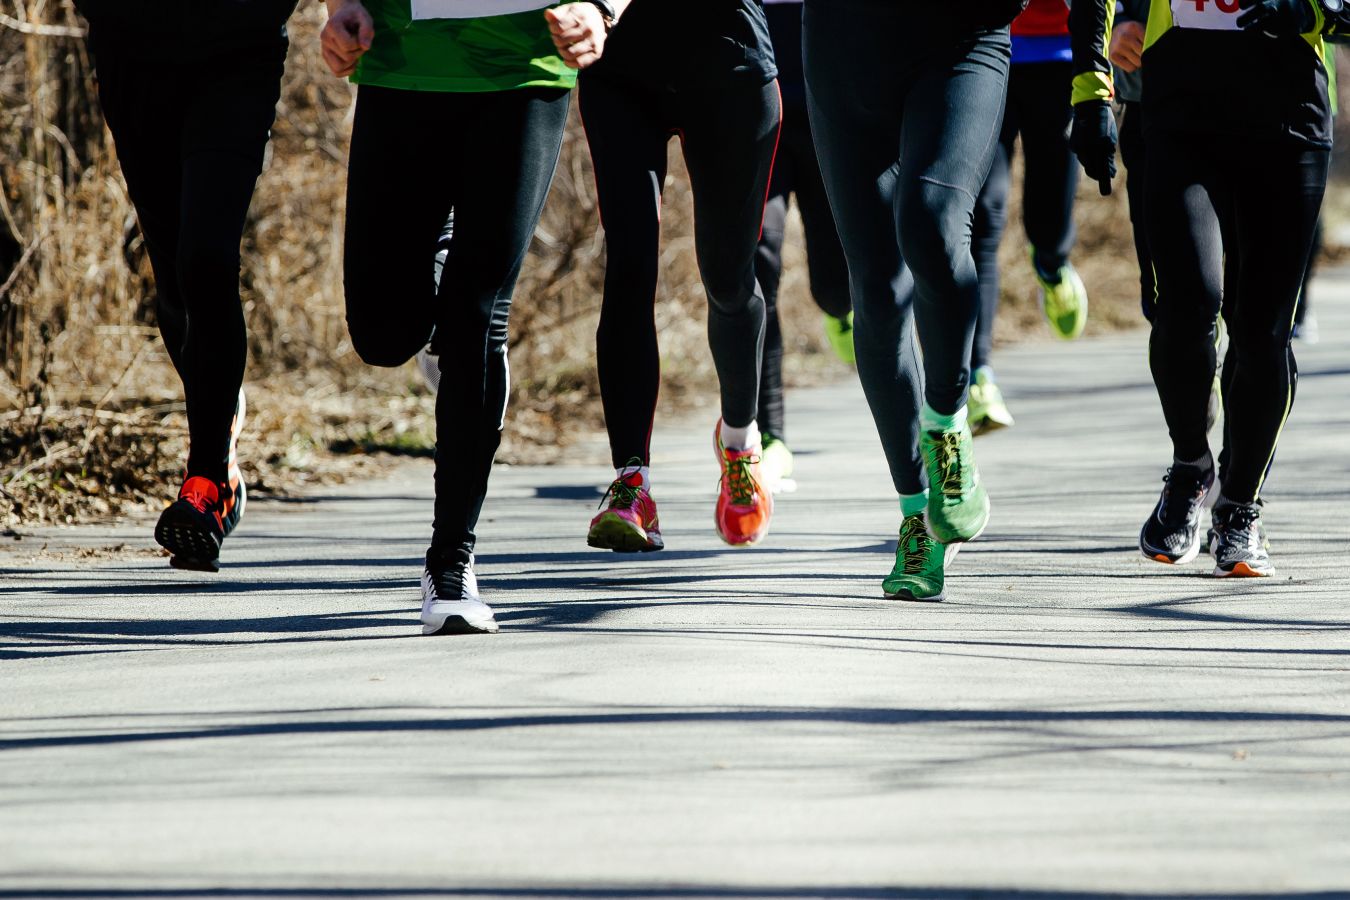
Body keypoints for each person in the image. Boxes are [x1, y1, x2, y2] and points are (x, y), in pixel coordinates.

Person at [321, 0, 618, 634]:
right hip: (402, 63)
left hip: (524, 68)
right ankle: (444, 286)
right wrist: (339, 5)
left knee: (478, 317)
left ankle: (450, 563)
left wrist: (602, 7)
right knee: (381, 332)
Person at [1070, 0, 1348, 577]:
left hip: (1288, 122)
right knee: (1184, 307)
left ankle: (1240, 507)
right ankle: (1191, 467)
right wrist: (1091, 89)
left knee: (1263, 333)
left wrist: (1312, 10)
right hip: (1181, 120)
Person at [802, 1, 1022, 601]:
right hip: (845, 51)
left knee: (931, 222)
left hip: (959, 41)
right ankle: (915, 516)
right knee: (875, 288)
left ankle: (947, 422)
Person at [74, 0, 299, 572]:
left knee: (206, 257)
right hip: (133, 55)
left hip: (238, 51)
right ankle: (219, 406)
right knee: (174, 274)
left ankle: (207, 483)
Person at [578, 1, 781, 552]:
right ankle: (631, 482)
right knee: (629, 264)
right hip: (620, 72)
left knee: (728, 278)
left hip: (730, 68)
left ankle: (739, 444)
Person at [970, 0, 1091, 435]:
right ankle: (978, 376)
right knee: (981, 216)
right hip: (983, 46)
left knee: (1048, 219)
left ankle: (1052, 264)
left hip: (1060, 53)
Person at [753, 0, 854, 487]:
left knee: (835, 286)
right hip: (756, 112)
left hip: (828, 113)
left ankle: (842, 312)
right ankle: (769, 436)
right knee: (759, 263)